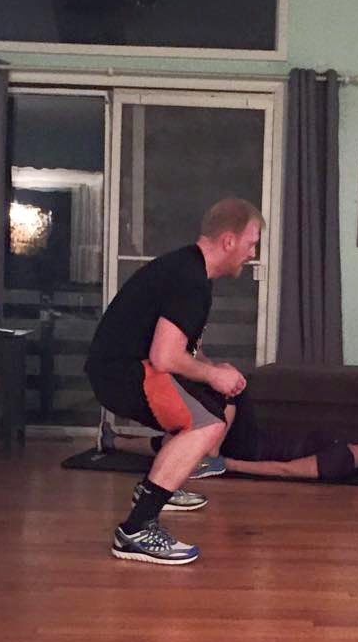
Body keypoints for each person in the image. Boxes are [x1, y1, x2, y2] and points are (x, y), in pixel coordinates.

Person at [85, 198, 264, 565]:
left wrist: (211, 368)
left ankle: (156, 487)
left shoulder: (189, 269)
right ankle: (136, 531)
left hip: (128, 366)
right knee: (207, 424)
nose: (252, 253)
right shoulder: (191, 281)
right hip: (123, 372)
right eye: (251, 243)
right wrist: (213, 374)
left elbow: (179, 344)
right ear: (229, 241)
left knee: (214, 403)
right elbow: (166, 357)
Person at [97, 386, 358, 483]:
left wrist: (227, 464)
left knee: (234, 390)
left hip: (250, 449)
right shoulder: (346, 448)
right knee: (184, 439)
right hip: (252, 441)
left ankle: (210, 456)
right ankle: (114, 441)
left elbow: (285, 470)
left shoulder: (342, 462)